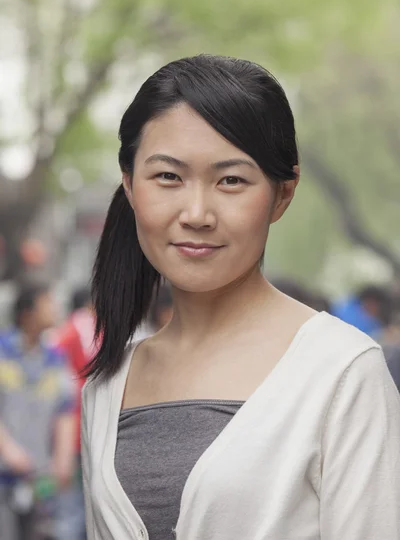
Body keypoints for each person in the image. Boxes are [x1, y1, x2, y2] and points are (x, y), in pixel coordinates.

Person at [81, 55, 400, 540]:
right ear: (128, 184)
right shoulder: (105, 386)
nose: (197, 213)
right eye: (168, 176)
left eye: (231, 180)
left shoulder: (342, 373)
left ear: (283, 194)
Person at [0, 284, 76, 539]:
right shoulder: (2, 350)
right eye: (47, 302)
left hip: (39, 477)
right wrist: (8, 450)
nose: (54, 309)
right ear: (27, 312)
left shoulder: (55, 359)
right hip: (4, 472)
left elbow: (65, 410)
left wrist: (62, 460)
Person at [56, 287, 96, 540]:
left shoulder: (70, 329)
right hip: (89, 424)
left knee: (70, 510)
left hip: (71, 426)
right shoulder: (87, 325)